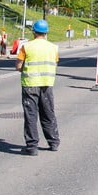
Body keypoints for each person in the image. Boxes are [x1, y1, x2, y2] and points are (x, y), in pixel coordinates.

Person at [15, 19, 60, 156]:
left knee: (31, 116)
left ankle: (32, 147)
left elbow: (18, 66)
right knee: (48, 113)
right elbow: (55, 64)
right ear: (46, 32)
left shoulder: (26, 47)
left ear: (34, 32)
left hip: (30, 84)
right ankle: (53, 142)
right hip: (47, 84)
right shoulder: (53, 47)